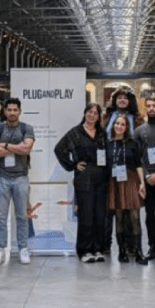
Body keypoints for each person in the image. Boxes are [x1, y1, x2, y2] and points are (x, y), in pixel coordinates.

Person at [55, 102, 109, 263]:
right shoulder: (75, 133)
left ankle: (98, 249)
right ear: (85, 113)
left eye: (95, 113)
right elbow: (59, 149)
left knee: (100, 215)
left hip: (101, 178)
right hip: (84, 179)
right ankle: (85, 250)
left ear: (99, 117)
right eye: (89, 112)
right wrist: (73, 165)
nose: (92, 115)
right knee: (86, 215)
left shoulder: (102, 134)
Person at [0, 97, 35, 265]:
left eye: (15, 110)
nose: (12, 112)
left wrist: (6, 146)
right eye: (9, 110)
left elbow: (26, 149)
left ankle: (23, 248)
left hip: (21, 177)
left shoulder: (26, 128)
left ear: (19, 111)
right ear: (5, 111)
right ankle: (0, 249)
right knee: (0, 216)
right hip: (2, 177)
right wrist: (17, 147)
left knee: (22, 215)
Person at [106, 112, 147, 263]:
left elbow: (138, 164)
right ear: (113, 125)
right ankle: (121, 251)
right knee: (119, 216)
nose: (119, 126)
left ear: (127, 127)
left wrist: (142, 183)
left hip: (131, 180)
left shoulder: (133, 143)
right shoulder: (107, 144)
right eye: (117, 123)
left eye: (123, 124)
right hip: (114, 181)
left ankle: (139, 251)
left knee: (134, 216)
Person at [135, 95, 155, 261]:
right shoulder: (139, 131)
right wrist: (146, 175)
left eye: (154, 105)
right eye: (149, 106)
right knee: (149, 213)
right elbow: (138, 156)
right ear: (145, 108)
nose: (151, 108)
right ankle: (152, 246)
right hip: (147, 178)